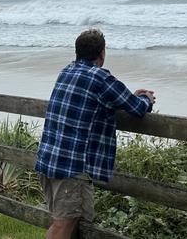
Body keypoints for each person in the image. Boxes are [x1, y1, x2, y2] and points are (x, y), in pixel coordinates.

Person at [35, 29, 155, 239]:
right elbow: (136, 108)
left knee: (64, 223)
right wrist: (146, 99)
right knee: (63, 226)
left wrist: (126, 97)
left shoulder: (67, 71)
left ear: (77, 52)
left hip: (49, 160)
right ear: (102, 53)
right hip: (71, 168)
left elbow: (102, 99)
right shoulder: (100, 78)